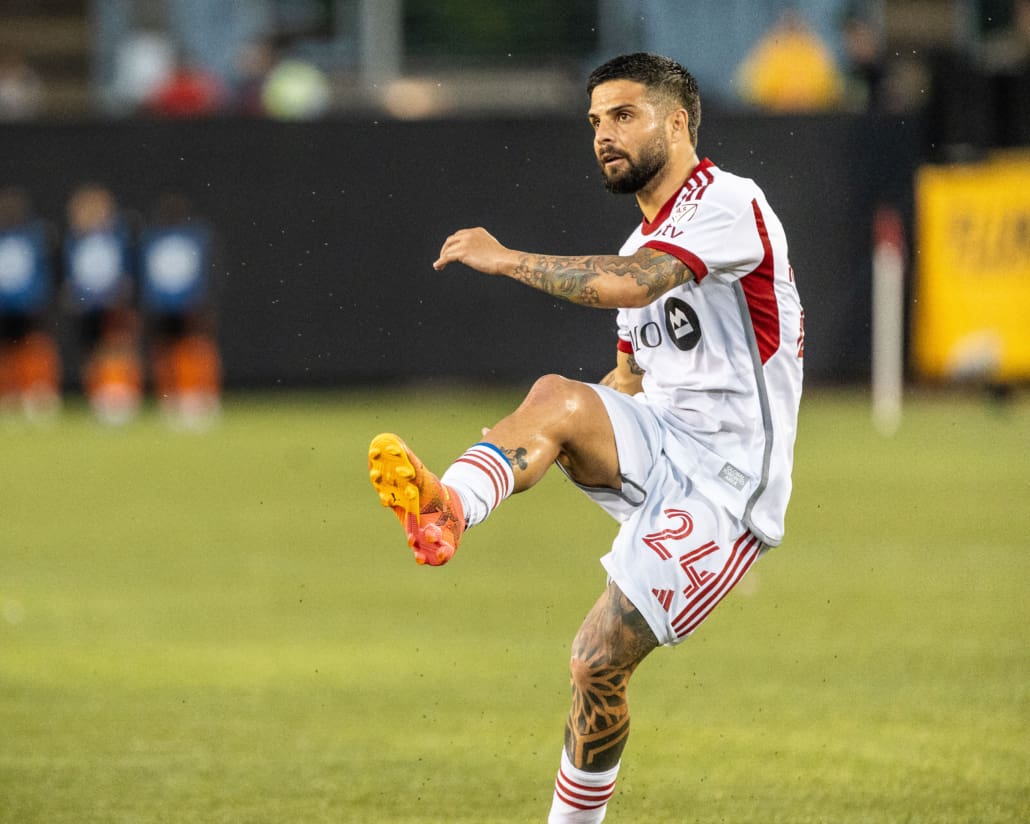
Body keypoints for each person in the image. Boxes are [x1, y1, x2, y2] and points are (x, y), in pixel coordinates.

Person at [368, 52, 804, 822]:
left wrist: (503, 260)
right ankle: (450, 504)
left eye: (624, 116)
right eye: (596, 121)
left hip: (727, 488)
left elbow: (629, 285)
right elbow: (629, 383)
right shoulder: (637, 247)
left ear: (677, 122)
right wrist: (532, 439)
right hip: (662, 441)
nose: (604, 134)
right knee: (555, 395)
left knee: (595, 661)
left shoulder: (730, 203)